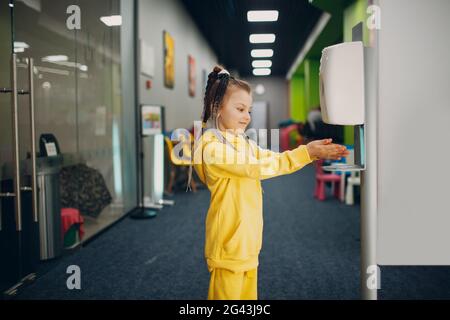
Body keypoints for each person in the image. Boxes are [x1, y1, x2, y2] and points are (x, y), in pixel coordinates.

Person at [190, 66, 349, 300]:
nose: (247, 116)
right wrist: (305, 153)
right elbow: (255, 167)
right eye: (240, 109)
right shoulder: (212, 148)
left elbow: (271, 158)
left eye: (249, 110)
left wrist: (309, 152)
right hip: (228, 244)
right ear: (217, 108)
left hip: (248, 241)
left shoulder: (241, 142)